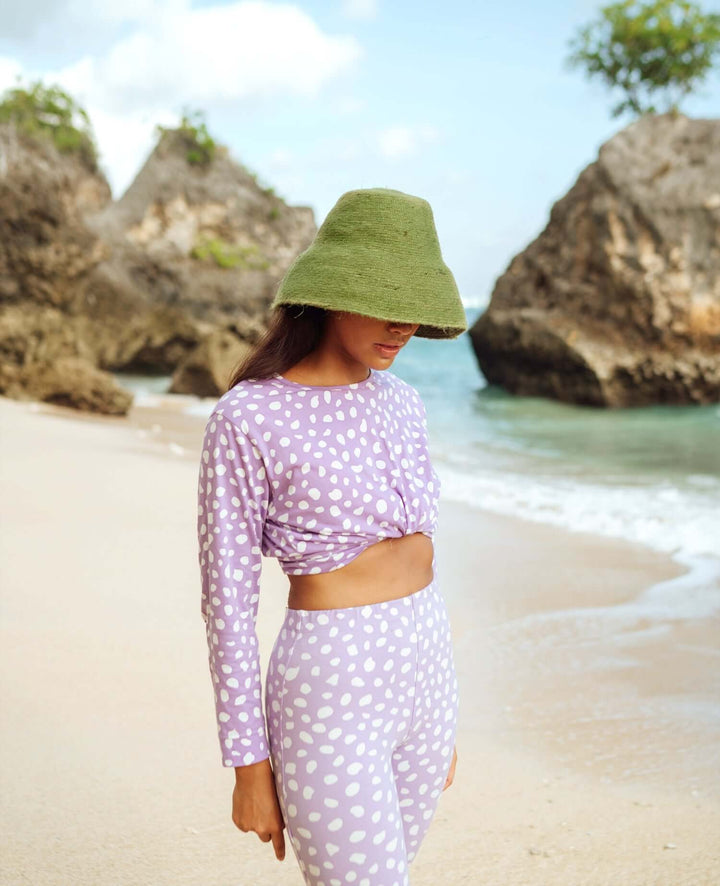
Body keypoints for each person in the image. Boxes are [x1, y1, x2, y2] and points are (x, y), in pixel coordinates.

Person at [197, 187, 467, 886]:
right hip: (331, 692)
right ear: (329, 293)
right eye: (386, 300)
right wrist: (248, 764)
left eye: (416, 305)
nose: (403, 325)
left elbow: (419, 562)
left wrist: (438, 714)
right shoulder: (248, 417)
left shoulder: (406, 404)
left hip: (427, 677)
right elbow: (227, 604)